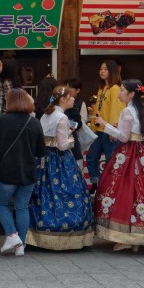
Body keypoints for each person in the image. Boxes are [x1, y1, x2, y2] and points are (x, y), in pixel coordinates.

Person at [93, 79, 144, 251]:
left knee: (125, 190)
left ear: (131, 94)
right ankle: (138, 236)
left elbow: (123, 137)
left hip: (129, 152)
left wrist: (105, 125)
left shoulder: (127, 112)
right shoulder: (141, 110)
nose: (119, 92)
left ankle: (126, 238)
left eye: (122, 90)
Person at [27, 85, 94, 250]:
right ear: (63, 99)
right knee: (67, 190)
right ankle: (69, 231)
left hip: (45, 159)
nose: (73, 99)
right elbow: (63, 146)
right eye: (71, 97)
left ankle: (40, 233)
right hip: (61, 160)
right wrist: (71, 139)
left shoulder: (46, 115)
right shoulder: (62, 118)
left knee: (45, 191)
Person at [0, 88, 45, 257]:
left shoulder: (3, 120)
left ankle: (12, 235)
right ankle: (20, 246)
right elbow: (41, 151)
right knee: (22, 208)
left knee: (2, 204)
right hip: (28, 172)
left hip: (6, 172)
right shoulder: (34, 122)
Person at [87, 60, 124, 192]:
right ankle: (96, 185)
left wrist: (112, 131)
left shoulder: (115, 89)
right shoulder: (103, 88)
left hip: (108, 130)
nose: (101, 71)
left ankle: (111, 187)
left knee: (111, 160)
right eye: (101, 69)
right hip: (99, 130)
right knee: (91, 156)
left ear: (112, 71)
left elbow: (115, 110)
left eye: (105, 69)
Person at [64, 78, 88, 173]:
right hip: (65, 143)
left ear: (77, 90)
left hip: (73, 139)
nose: (68, 91)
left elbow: (81, 122)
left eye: (70, 88)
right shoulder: (59, 107)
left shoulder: (80, 103)